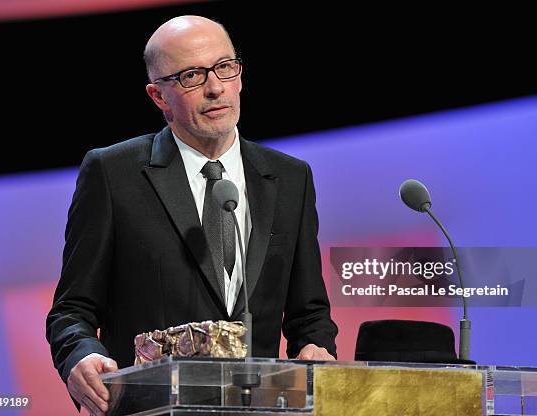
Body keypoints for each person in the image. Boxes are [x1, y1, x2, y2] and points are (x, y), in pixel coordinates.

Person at [46, 15, 337, 415]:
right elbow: (72, 309)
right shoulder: (114, 174)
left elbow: (309, 311)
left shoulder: (290, 177)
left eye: (224, 67)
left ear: (239, 74)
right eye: (191, 76)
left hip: (259, 405)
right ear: (158, 96)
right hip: (153, 406)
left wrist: (315, 346)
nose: (215, 88)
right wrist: (79, 356)